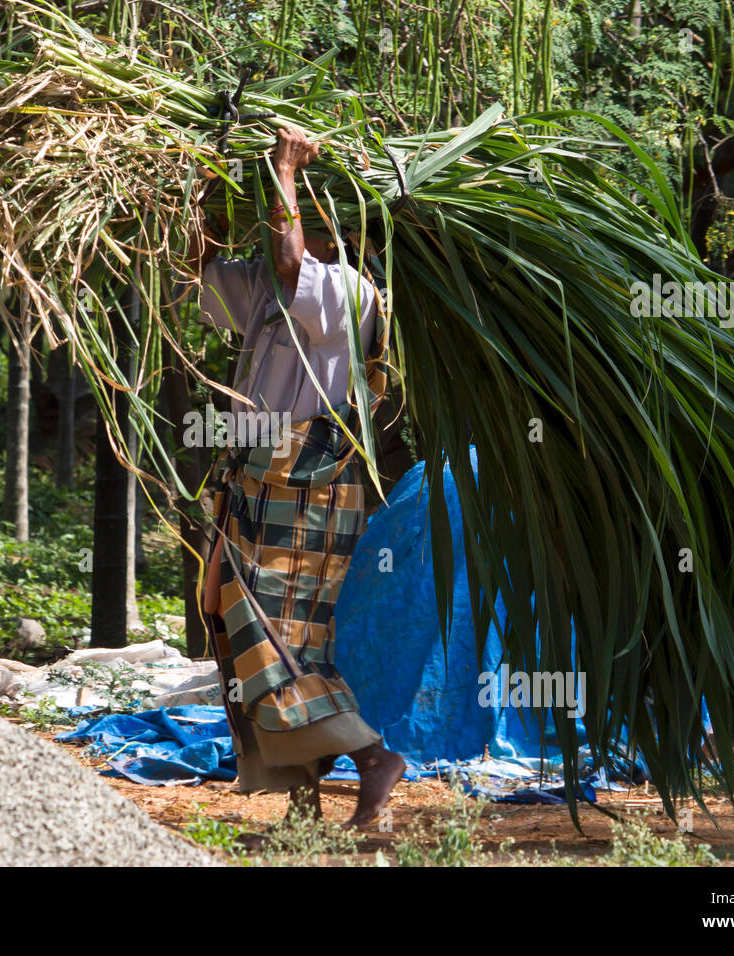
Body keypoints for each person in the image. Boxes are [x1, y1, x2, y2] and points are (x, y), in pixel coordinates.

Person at [186, 125, 407, 830]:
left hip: (309, 488)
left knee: (279, 635)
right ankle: (303, 789)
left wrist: (284, 167)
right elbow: (199, 276)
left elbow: (290, 260)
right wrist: (210, 200)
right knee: (227, 612)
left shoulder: (348, 292)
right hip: (255, 480)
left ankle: (373, 757)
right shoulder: (266, 286)